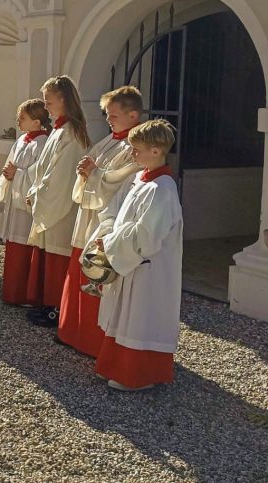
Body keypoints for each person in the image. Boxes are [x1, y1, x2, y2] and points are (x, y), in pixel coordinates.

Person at [91, 119, 183, 391]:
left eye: (137, 149)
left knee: (140, 317)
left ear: (156, 151)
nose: (132, 154)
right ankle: (114, 365)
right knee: (124, 315)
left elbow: (146, 235)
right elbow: (117, 213)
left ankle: (138, 375)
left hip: (146, 266)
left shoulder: (163, 189)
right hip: (129, 260)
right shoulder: (140, 180)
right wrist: (107, 231)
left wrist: (110, 242)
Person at [58, 86, 144, 356]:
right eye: (107, 114)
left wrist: (94, 173)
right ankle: (73, 331)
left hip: (107, 221)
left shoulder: (137, 147)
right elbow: (95, 167)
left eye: (114, 115)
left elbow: (123, 182)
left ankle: (94, 340)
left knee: (99, 274)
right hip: (89, 216)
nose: (108, 119)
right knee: (80, 270)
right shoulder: (109, 140)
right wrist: (85, 172)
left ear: (133, 115)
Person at [24, 75, 90, 327]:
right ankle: (47, 304)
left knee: (57, 257)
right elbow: (45, 168)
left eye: (48, 100)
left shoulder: (71, 133)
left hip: (61, 208)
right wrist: (35, 190)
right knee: (48, 254)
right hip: (49, 200)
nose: (45, 104)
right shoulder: (60, 129)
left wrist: (39, 194)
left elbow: (61, 177)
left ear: (63, 99)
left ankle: (55, 309)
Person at [0, 99, 51, 305]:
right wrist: (9, 174)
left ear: (37, 122)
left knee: (26, 242)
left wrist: (17, 174)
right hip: (15, 200)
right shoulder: (22, 140)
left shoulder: (43, 144)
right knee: (14, 242)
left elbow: (41, 174)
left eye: (23, 118)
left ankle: (24, 293)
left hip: (28, 205)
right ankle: (11, 291)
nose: (18, 121)